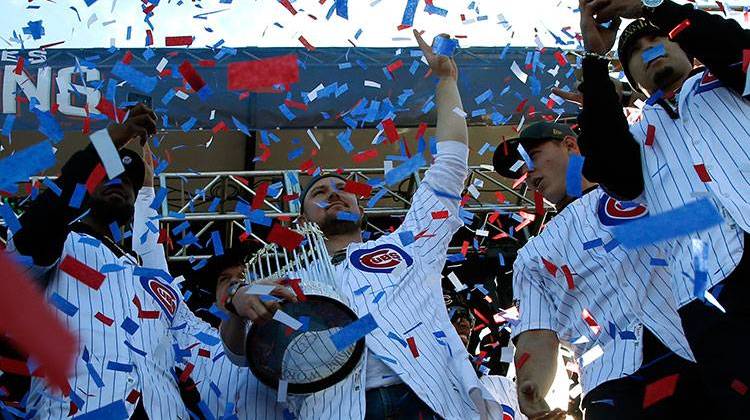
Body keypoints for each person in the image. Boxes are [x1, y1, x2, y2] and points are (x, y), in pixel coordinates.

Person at [216, 30, 505, 420]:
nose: (334, 193)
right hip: (337, 410)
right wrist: (236, 303)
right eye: (320, 191)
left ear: (360, 204)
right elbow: (237, 354)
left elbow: (451, 166)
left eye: (342, 188)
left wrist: (446, 82)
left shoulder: (408, 245)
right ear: (302, 219)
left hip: (428, 399)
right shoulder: (283, 278)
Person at [576, 0, 750, 416]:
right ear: (632, 80)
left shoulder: (733, 82)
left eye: (657, 38)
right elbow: (609, 169)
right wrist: (596, 60)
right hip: (709, 290)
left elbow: (734, 47)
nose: (649, 49)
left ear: (685, 48)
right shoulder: (635, 138)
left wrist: (655, 5)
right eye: (635, 51)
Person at [492, 122, 703, 419]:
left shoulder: (638, 187)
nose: (527, 174)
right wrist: (531, 383)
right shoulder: (532, 256)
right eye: (520, 170)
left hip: (691, 349)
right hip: (610, 383)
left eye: (533, 156)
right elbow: (536, 333)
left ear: (570, 145)